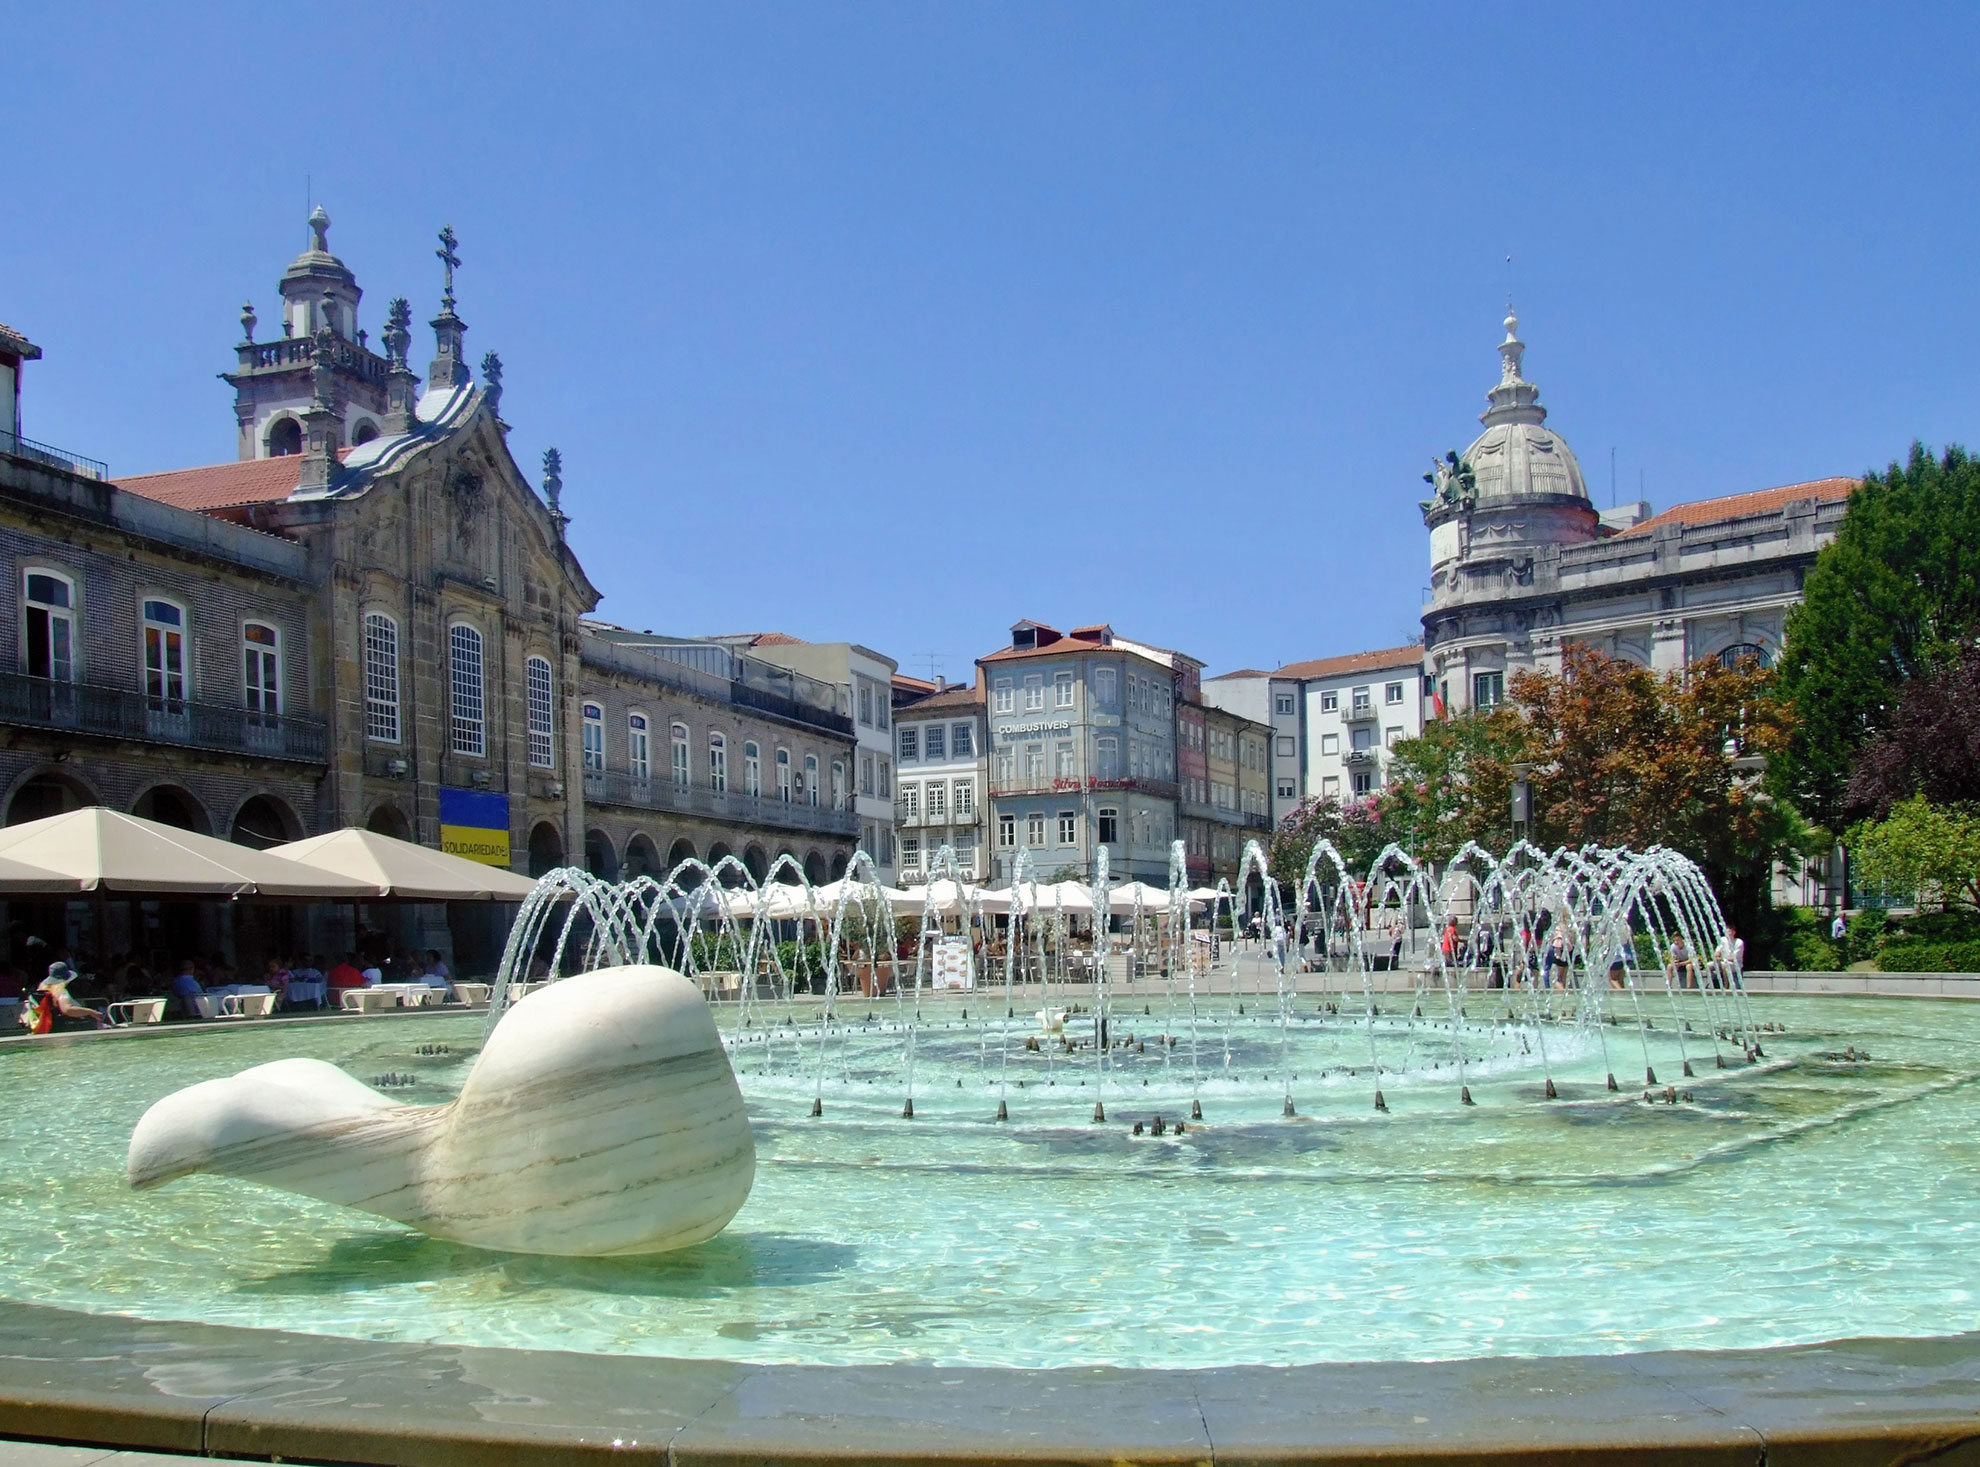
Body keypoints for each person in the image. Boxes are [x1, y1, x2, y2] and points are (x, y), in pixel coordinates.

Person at [29, 964, 108, 1032]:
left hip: (46, 1027)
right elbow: (67, 1010)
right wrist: (91, 1012)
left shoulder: (41, 991)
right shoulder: (61, 992)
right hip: (68, 1027)